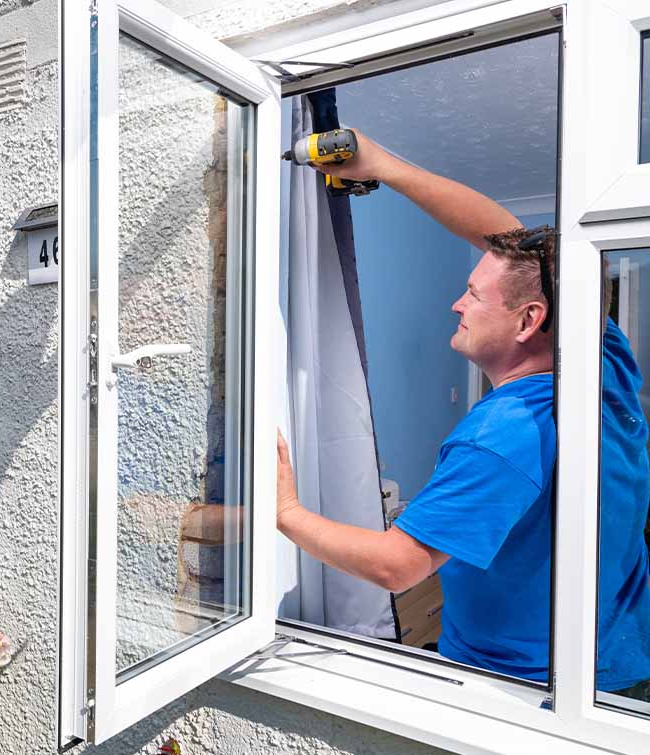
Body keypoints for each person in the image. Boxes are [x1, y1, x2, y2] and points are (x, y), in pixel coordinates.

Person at [277, 131, 650, 693]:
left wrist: (285, 512)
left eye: (473, 294)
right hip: (625, 655)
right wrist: (383, 164)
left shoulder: (505, 435)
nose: (456, 304)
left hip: (529, 688)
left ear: (527, 321)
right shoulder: (601, 358)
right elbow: (510, 238)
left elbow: (398, 565)